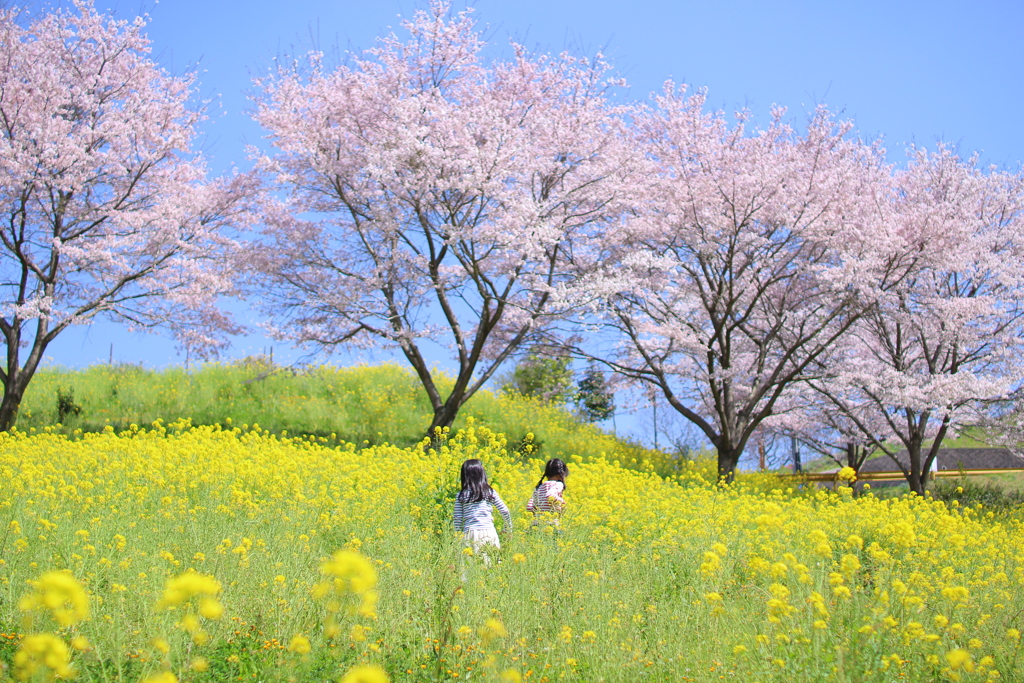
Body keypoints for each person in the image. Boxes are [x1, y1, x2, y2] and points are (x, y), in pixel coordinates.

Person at [453, 459, 512, 563]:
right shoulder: (490, 492)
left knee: (469, 568)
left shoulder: (461, 495)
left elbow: (457, 520)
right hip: (489, 533)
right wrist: (508, 529)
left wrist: (457, 539)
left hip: (469, 534)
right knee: (491, 566)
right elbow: (505, 511)